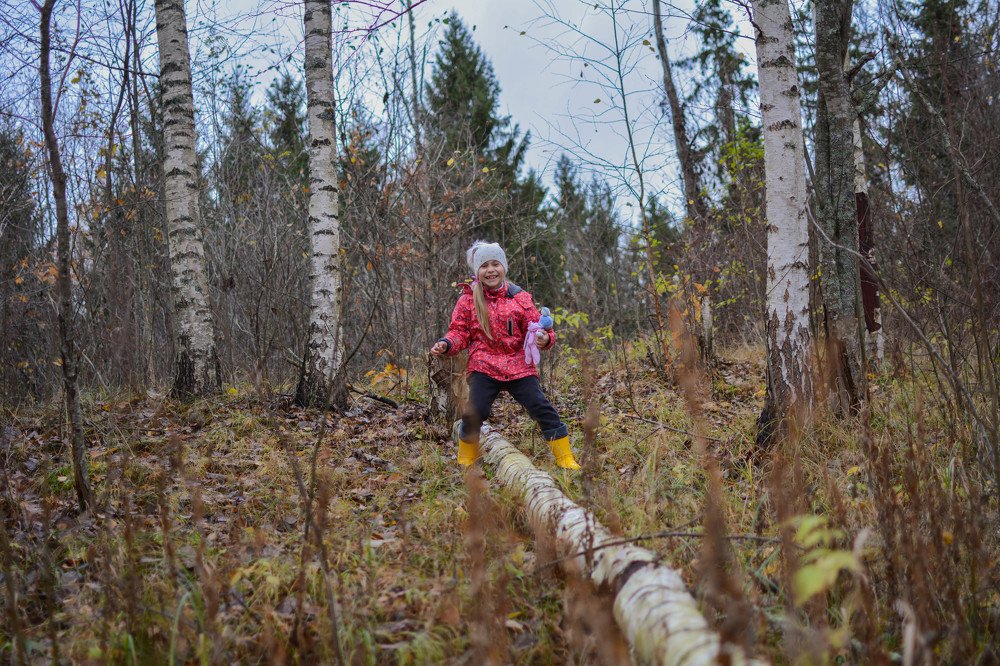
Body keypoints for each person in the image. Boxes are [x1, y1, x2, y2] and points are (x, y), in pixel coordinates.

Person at [430, 241, 581, 469]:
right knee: (475, 411)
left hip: (518, 365)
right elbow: (459, 331)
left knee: (541, 407)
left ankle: (565, 458)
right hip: (484, 365)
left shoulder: (519, 298)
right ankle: (467, 458)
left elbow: (540, 328)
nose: (490, 270)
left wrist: (544, 338)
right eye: (484, 266)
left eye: (495, 264)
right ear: (477, 272)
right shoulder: (468, 300)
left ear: (504, 268)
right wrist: (446, 343)